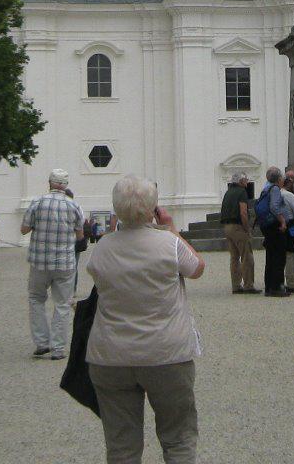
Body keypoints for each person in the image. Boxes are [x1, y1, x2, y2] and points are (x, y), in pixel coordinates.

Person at [86, 175, 204, 464]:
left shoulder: (102, 247)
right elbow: (197, 268)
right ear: (154, 207)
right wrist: (172, 230)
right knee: (178, 439)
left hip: (112, 355)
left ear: (116, 209)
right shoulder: (168, 244)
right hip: (167, 353)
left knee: (121, 446)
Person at [20, 167, 85, 359]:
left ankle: (41, 342)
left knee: (36, 299)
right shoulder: (74, 206)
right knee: (63, 304)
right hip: (64, 263)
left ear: (49, 183)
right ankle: (58, 348)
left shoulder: (37, 202)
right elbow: (80, 235)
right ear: (66, 185)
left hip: (39, 261)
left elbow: (24, 229)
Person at [218, 172, 257, 294]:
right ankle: (248, 285)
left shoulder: (228, 192)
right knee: (247, 256)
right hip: (238, 226)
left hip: (227, 227)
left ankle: (236, 285)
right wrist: (247, 228)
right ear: (241, 181)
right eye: (246, 179)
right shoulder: (242, 192)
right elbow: (243, 212)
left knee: (234, 257)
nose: (247, 182)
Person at [258, 166, 290, 297]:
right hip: (275, 226)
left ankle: (269, 286)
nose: (283, 179)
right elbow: (274, 207)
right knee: (279, 256)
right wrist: (282, 221)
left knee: (270, 256)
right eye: (282, 177)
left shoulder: (265, 188)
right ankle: (277, 286)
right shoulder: (275, 189)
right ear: (278, 179)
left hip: (266, 226)